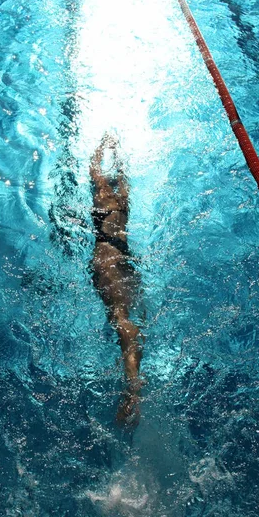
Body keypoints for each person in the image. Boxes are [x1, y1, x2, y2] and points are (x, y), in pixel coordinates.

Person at [90, 133, 144, 425]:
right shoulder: (123, 198)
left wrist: (102, 146)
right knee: (130, 318)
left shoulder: (102, 193)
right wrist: (118, 151)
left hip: (107, 256)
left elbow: (94, 169)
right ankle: (134, 376)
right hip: (127, 258)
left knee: (120, 319)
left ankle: (132, 388)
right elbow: (123, 176)